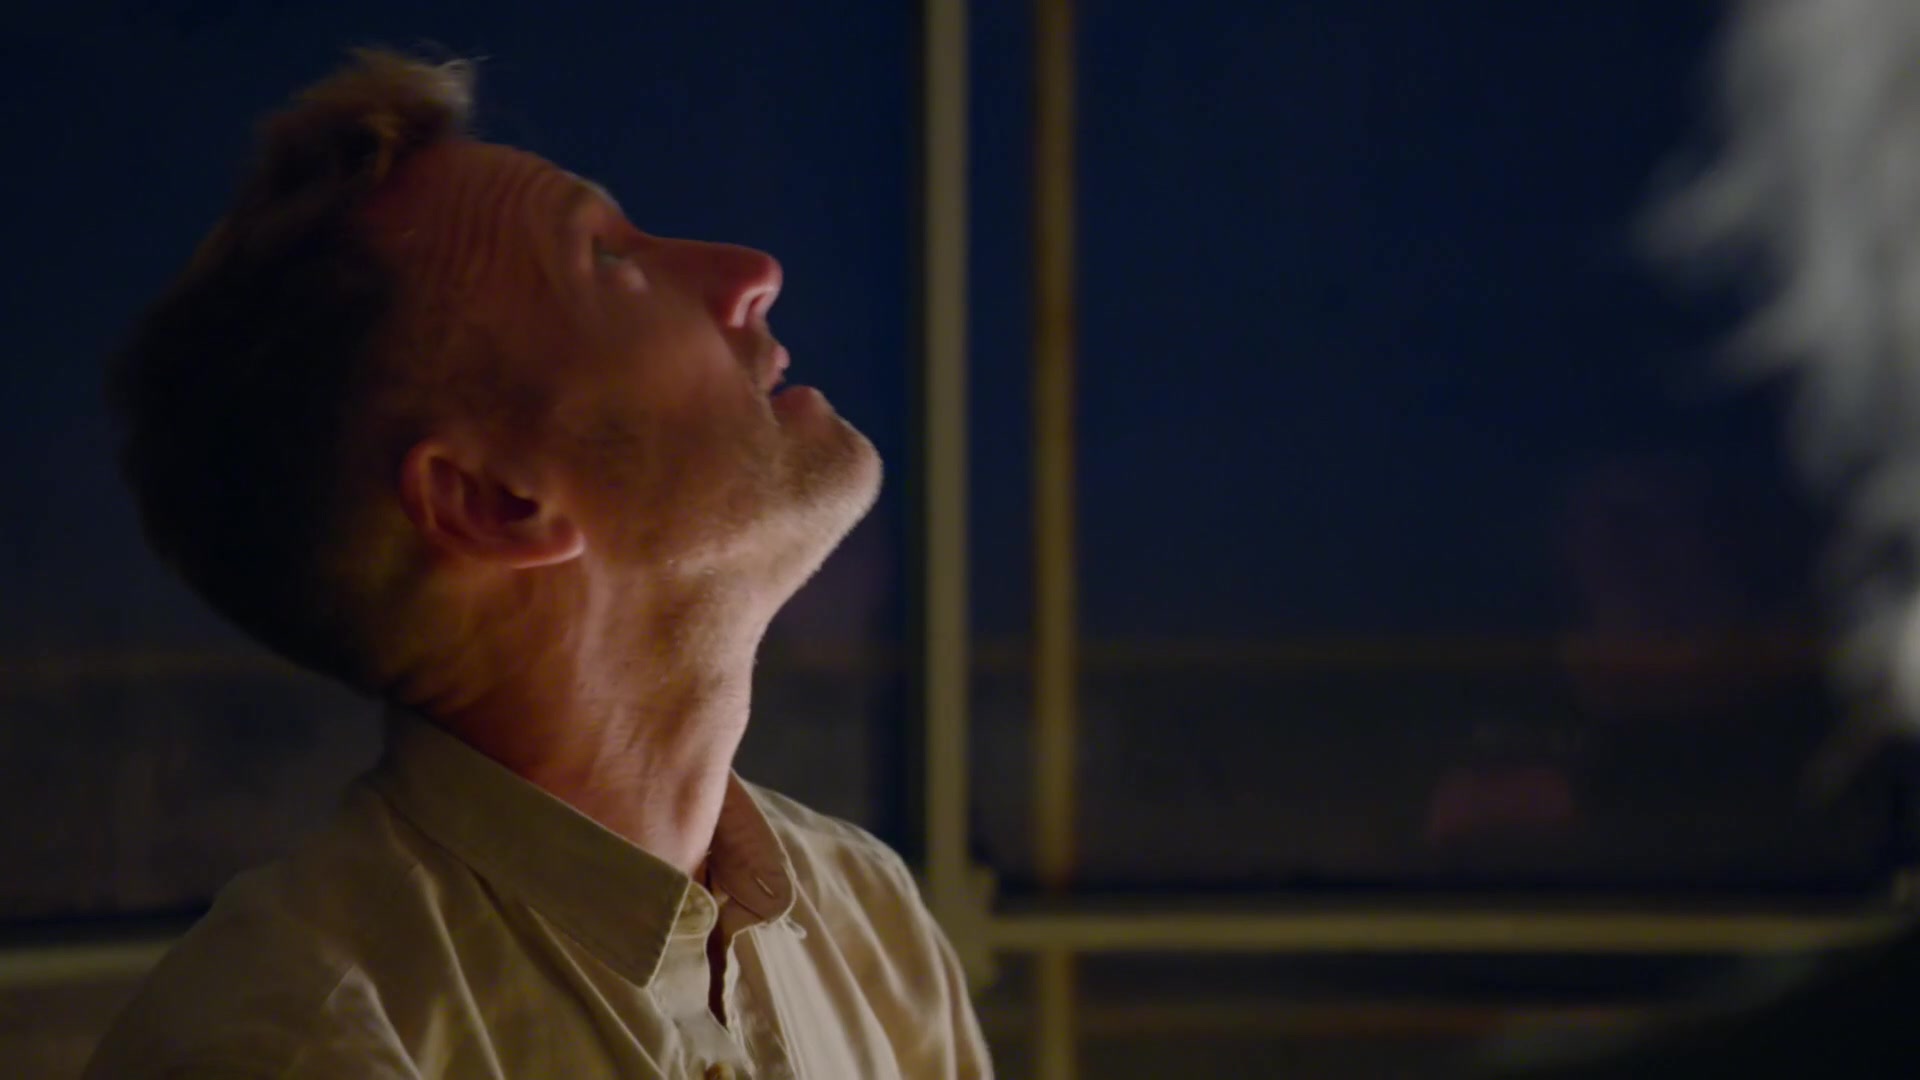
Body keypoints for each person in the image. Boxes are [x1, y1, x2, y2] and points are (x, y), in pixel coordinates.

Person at [85, 48, 991, 1079]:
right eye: (607, 260)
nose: (751, 273)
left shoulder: (868, 921)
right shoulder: (293, 1047)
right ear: (494, 502)